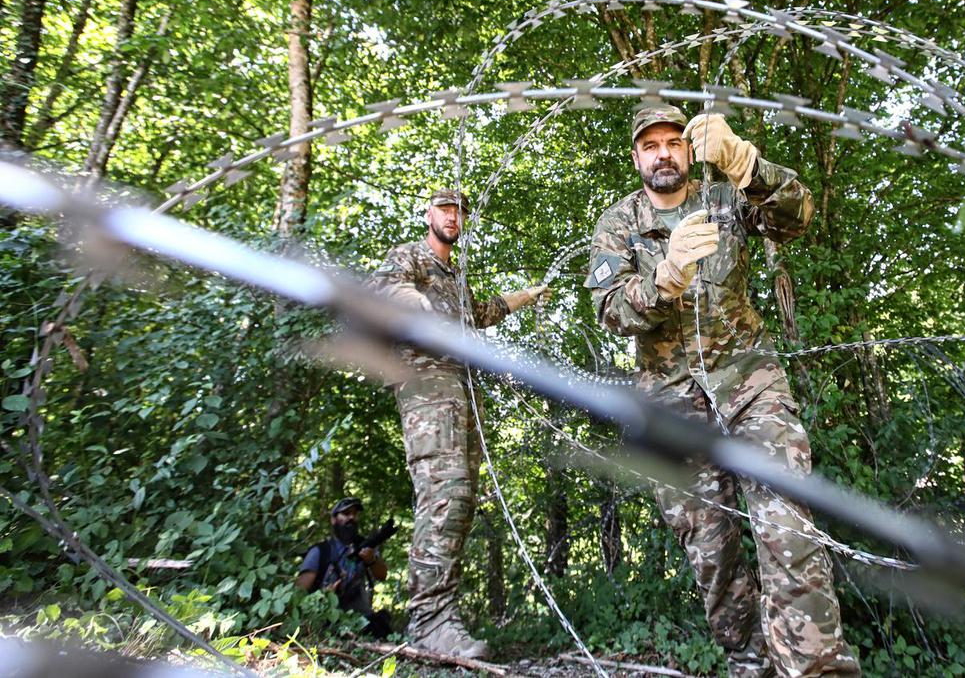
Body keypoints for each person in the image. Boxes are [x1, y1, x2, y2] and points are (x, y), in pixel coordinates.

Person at [584, 105, 861, 677]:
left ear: (689, 150)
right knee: (711, 551)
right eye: (650, 146)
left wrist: (745, 164)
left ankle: (817, 667)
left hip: (750, 382)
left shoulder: (724, 196)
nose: (663, 153)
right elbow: (609, 310)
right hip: (670, 403)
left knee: (786, 524)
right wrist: (664, 278)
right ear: (636, 158)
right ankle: (750, 662)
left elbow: (797, 216)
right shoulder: (618, 223)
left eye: (673, 142)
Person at [370, 189, 548, 658]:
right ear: (428, 214)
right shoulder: (410, 257)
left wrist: (524, 296)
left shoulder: (455, 277)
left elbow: (478, 314)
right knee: (444, 494)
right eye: (445, 209)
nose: (453, 216)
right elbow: (385, 288)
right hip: (426, 383)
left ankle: (440, 616)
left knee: (462, 500)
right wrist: (417, 305)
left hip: (462, 388)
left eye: (459, 211)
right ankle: (429, 622)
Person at [296, 496, 392, 638]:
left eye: (354, 514)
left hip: (360, 619)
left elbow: (382, 575)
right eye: (346, 514)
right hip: (326, 621)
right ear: (333, 519)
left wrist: (371, 560)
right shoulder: (320, 551)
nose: (351, 518)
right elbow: (299, 592)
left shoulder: (365, 545)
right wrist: (324, 595)